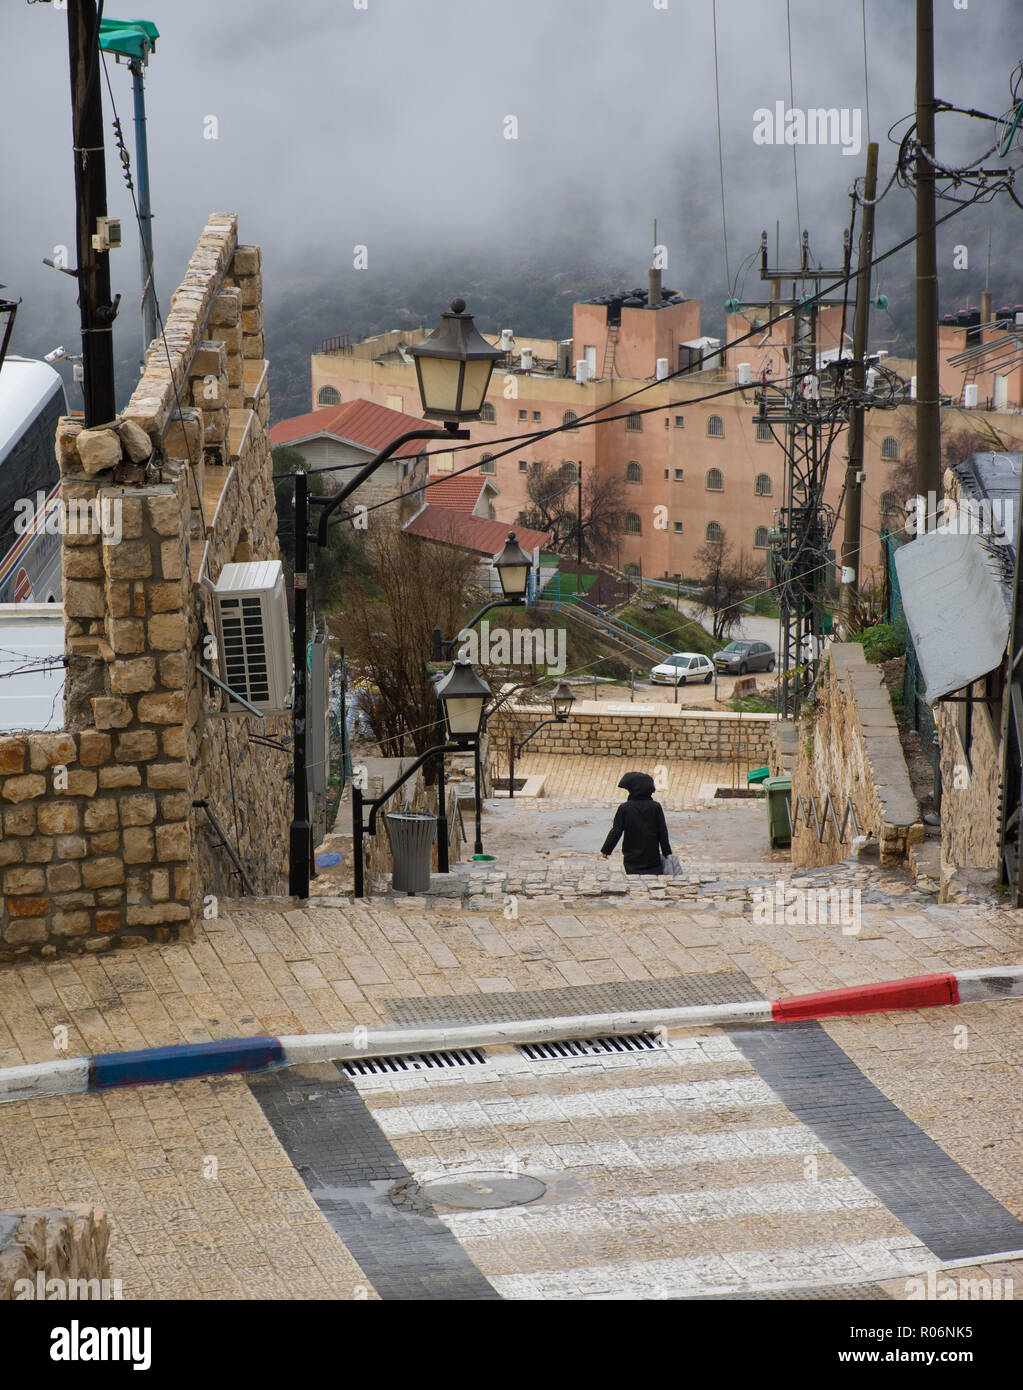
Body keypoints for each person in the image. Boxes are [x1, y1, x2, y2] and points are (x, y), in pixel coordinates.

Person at [600, 771, 672, 875]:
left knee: (634, 878)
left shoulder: (625, 808)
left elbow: (616, 830)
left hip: (632, 856)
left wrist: (606, 849)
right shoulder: (656, 807)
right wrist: (666, 852)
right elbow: (662, 831)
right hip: (652, 855)